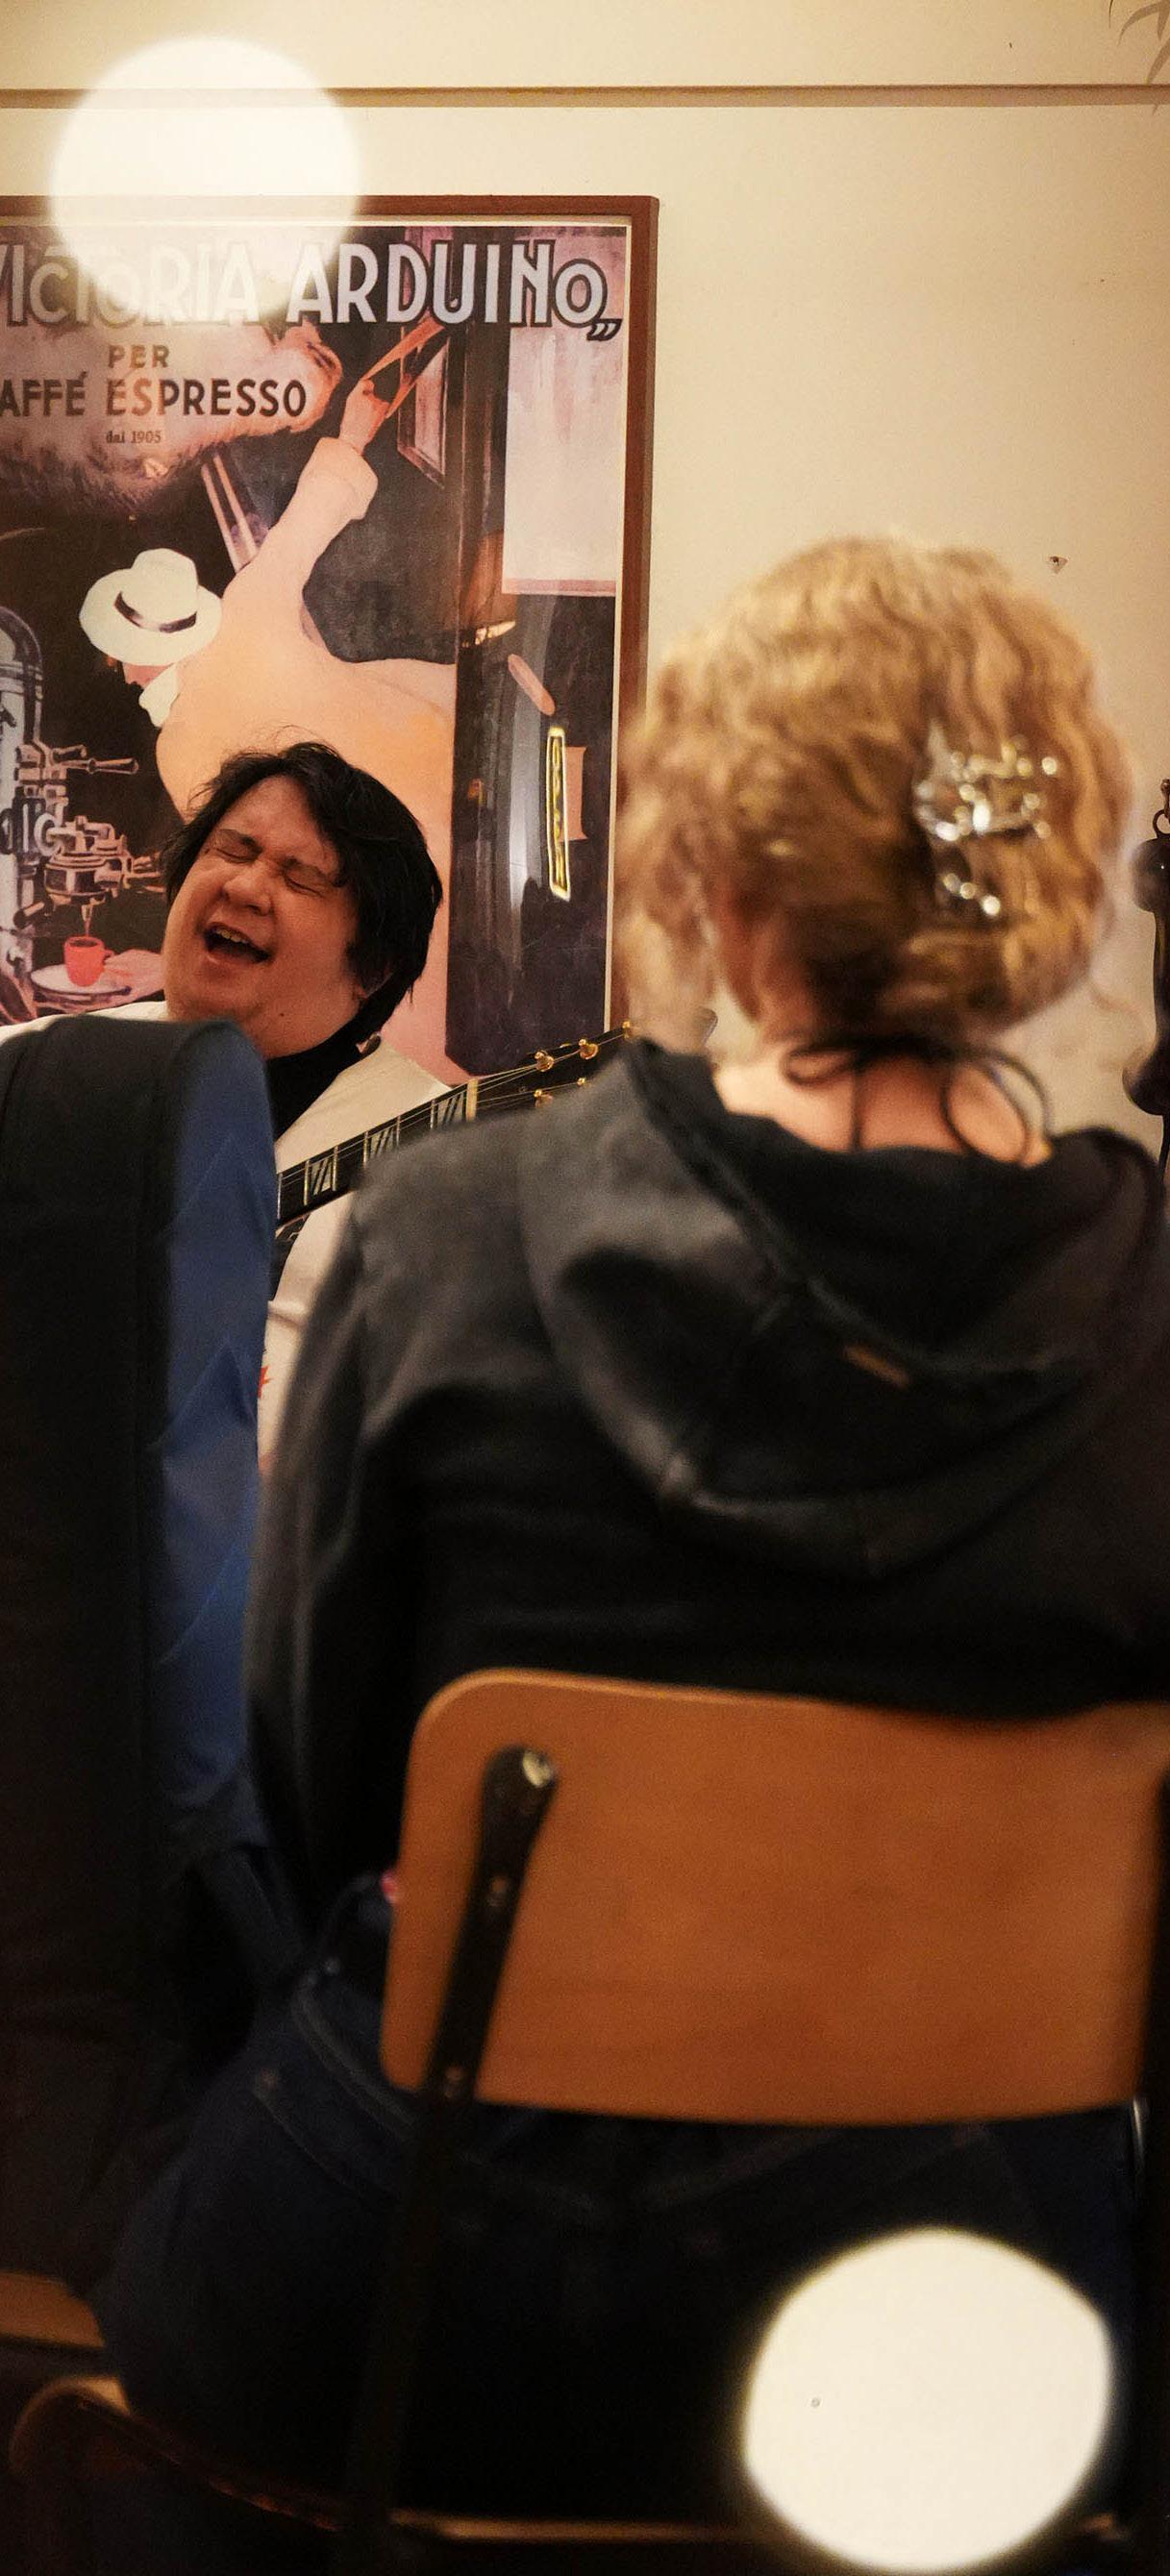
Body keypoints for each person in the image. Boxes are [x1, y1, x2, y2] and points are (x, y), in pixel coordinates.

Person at [98, 537, 1161, 2517]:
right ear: (1045, 872)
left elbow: (313, 1793)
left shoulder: (440, 1234)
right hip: (971, 2307)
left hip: (422, 2259)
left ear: (712, 865)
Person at [0, 740, 446, 1457]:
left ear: (372, 967)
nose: (245, 886)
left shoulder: (437, 1169)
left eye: (301, 879)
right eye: (232, 849)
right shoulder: (32, 1071)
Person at [79, 378, 459, 1073]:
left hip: (418, 876)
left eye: (119, 654)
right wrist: (354, 427)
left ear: (135, 656)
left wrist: (172, 965)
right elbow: (310, 516)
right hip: (452, 740)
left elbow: (237, 883)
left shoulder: (181, 748)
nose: (120, 670)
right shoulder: (250, 607)